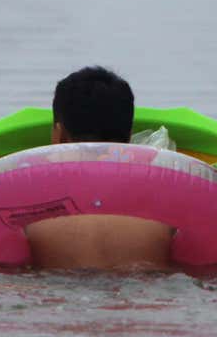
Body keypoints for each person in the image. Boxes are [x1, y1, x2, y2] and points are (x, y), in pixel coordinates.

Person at [24, 66, 175, 270]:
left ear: (58, 135)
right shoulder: (167, 200)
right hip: (145, 291)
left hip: (54, 292)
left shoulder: (25, 202)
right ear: (129, 137)